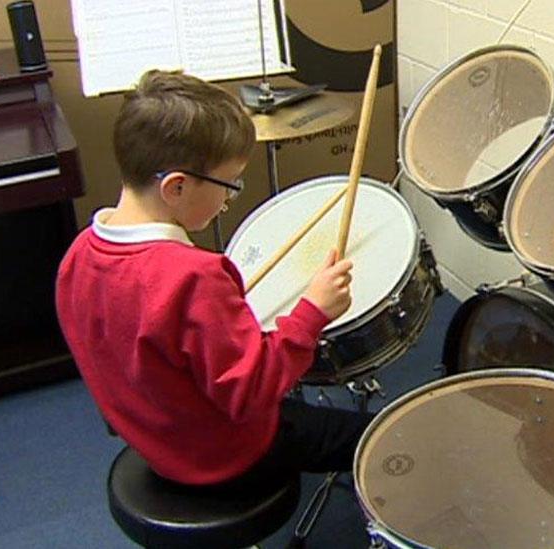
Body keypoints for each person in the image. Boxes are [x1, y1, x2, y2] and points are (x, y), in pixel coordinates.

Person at [55, 69, 373, 489]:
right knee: (380, 432)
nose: (228, 197)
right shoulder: (194, 277)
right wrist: (312, 313)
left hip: (153, 435)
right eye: (230, 184)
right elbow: (253, 393)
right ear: (177, 188)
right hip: (222, 453)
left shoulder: (77, 255)